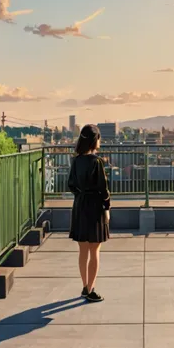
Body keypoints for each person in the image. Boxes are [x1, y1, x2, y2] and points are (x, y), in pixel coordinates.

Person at [68, 124, 110, 302]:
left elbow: (71, 184)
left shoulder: (76, 161)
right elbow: (103, 189)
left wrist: (80, 196)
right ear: (95, 140)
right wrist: (107, 208)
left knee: (83, 250)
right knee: (95, 250)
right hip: (94, 208)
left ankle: (85, 286)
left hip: (80, 205)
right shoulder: (97, 162)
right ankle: (91, 289)